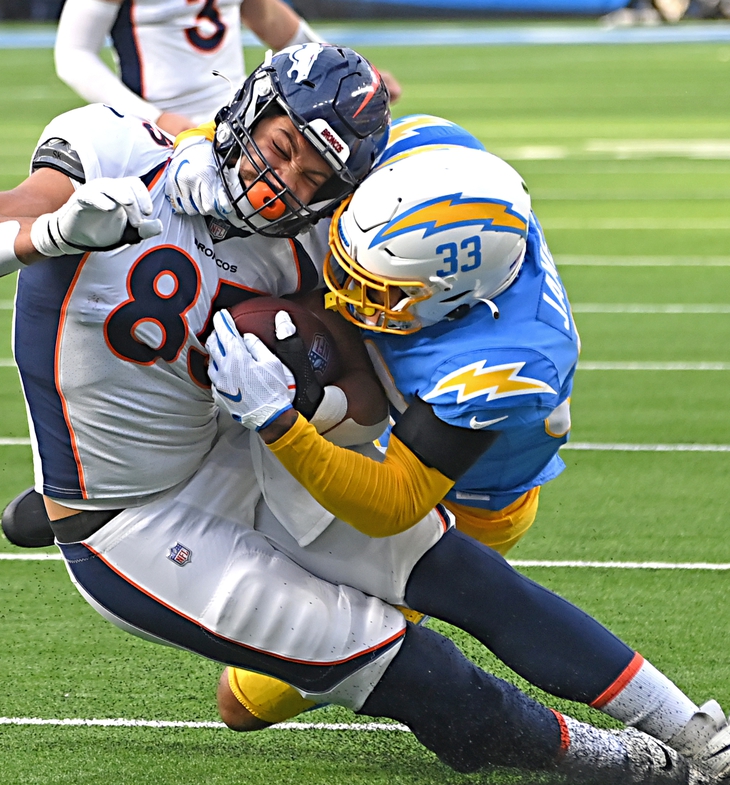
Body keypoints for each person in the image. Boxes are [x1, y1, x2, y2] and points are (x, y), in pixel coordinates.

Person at [0, 46, 730, 785]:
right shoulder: (116, 151)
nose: (281, 184)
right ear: (247, 111)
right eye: (279, 149)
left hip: (233, 448)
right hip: (131, 525)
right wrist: (52, 233)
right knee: (414, 667)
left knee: (462, 574)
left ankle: (707, 737)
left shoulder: (312, 240)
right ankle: (641, 768)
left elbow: (359, 389)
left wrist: (297, 408)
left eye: (312, 176)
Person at [217, 115, 580, 729]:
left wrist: (275, 420)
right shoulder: (427, 153)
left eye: (375, 291)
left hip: (460, 502)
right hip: (388, 404)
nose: (342, 292)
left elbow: (394, 503)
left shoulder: (504, 367)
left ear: (453, 299)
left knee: (243, 704)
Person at [53, 0, 401, 137]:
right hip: (155, 134)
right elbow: (73, 56)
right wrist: (155, 117)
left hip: (238, 122)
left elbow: (269, 19)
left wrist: (347, 71)